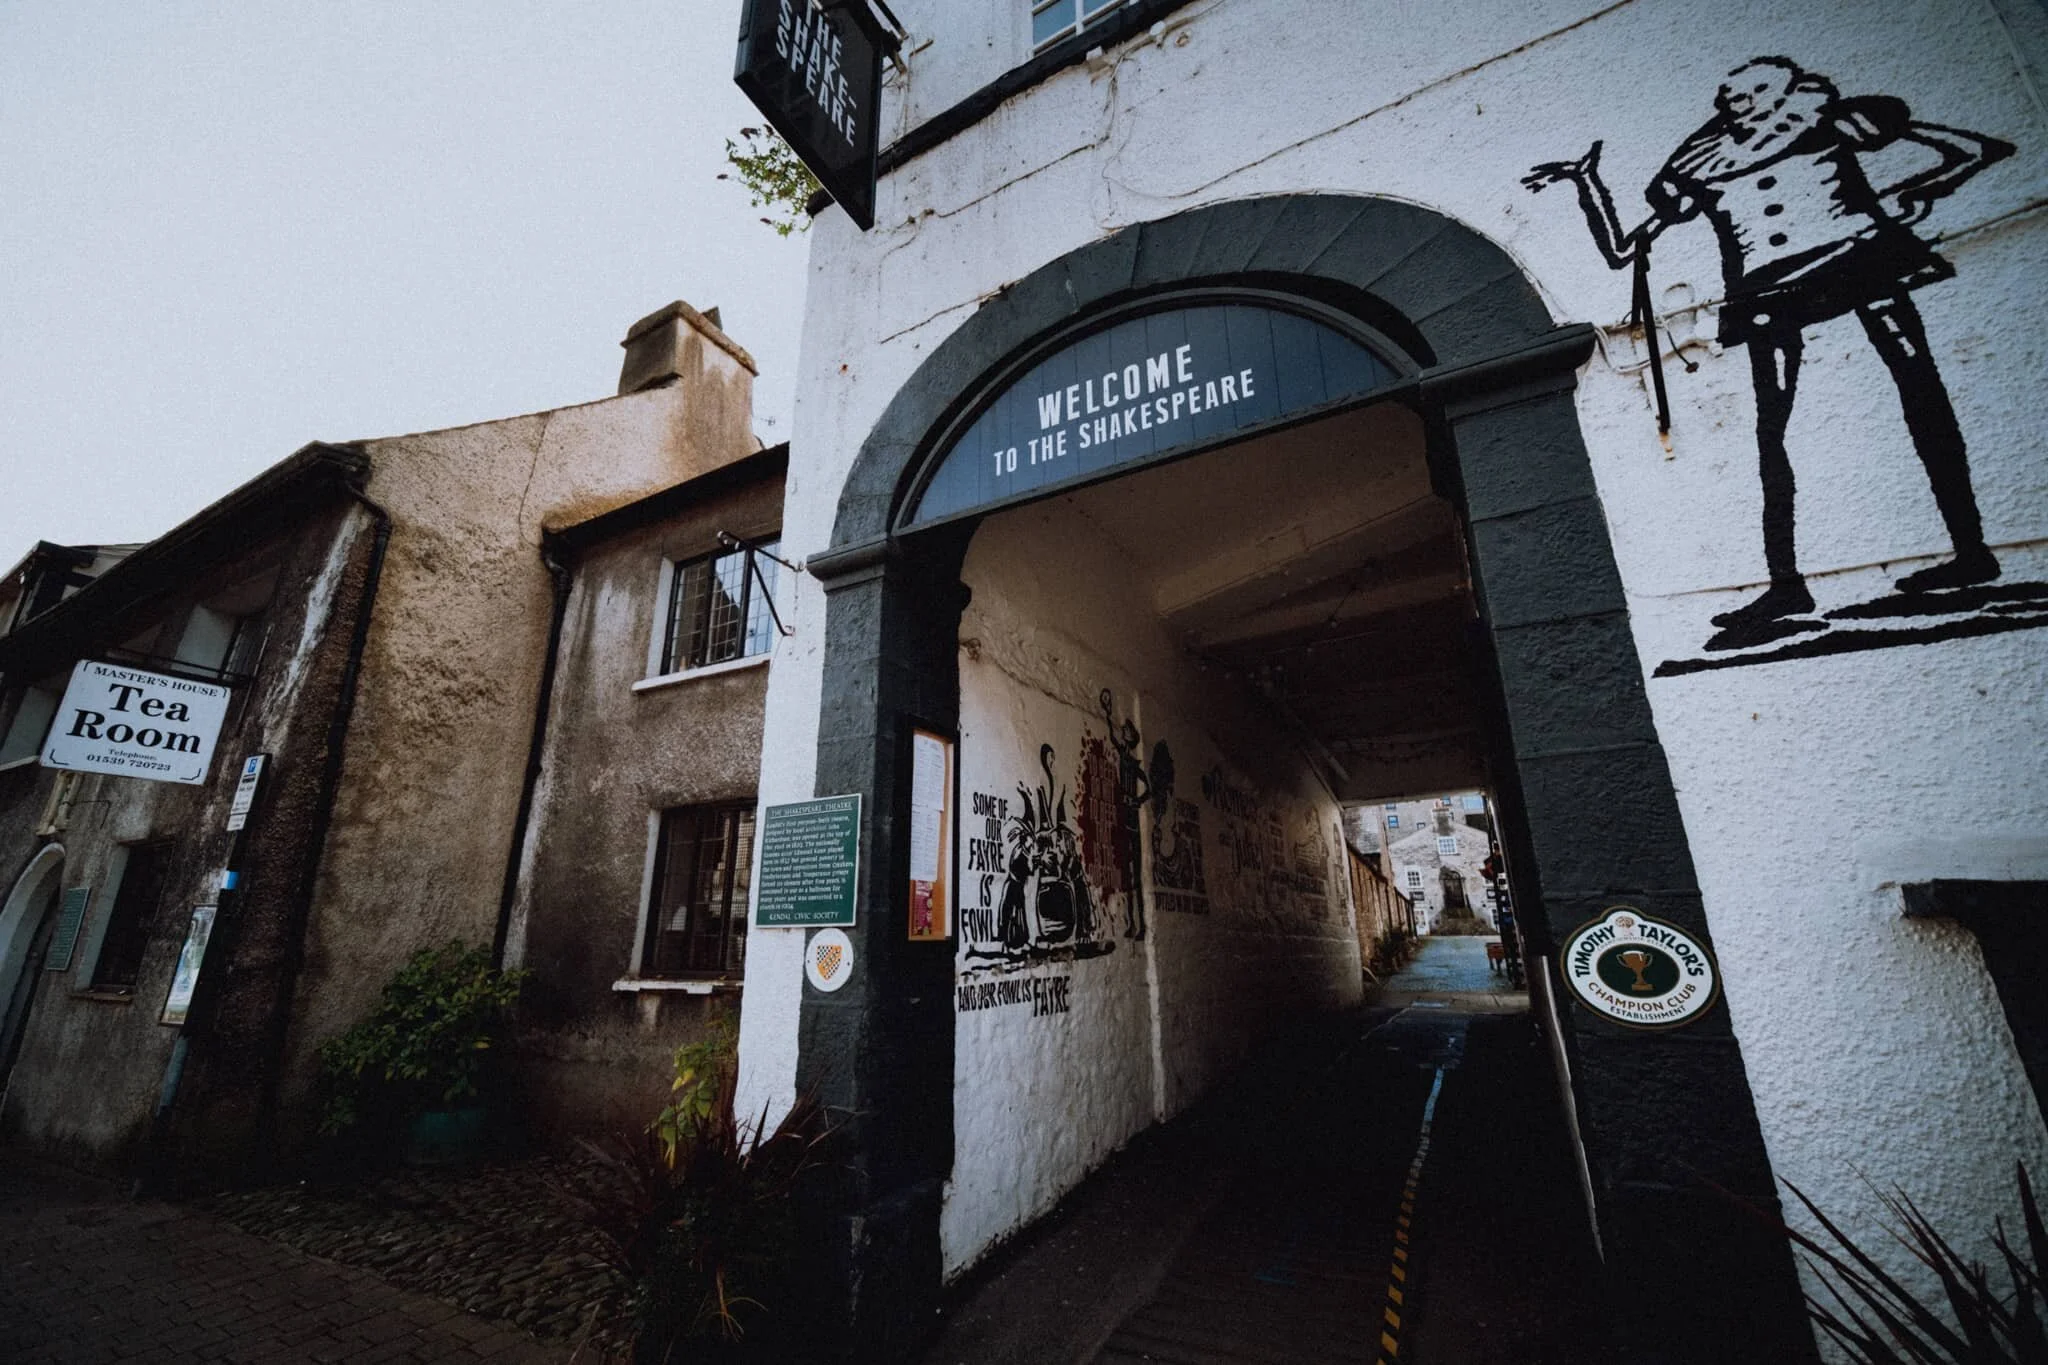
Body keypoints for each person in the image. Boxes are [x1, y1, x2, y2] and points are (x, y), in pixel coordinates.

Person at [1525, 57, 2013, 648]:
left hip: (1859, 256)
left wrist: (1918, 193)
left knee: (1919, 393)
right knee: (1774, 429)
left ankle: (1970, 550)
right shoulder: (1700, 161)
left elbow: (1970, 149)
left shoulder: (1834, 120)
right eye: (1731, 97)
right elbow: (1625, 250)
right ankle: (1787, 582)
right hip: (1767, 287)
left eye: (1752, 92)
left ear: (1786, 92)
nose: (1738, 103)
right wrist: (1586, 183)